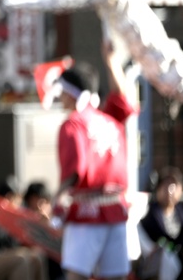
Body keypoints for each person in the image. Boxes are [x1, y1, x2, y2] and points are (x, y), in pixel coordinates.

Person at [53, 41, 138, 280]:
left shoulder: (73, 124)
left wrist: (57, 199)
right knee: (115, 277)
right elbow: (124, 100)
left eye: (62, 92)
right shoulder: (109, 119)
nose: (60, 98)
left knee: (77, 276)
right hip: (115, 209)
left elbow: (74, 169)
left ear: (71, 93)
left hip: (85, 213)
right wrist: (111, 61)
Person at [138, 166, 183, 280]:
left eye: (173, 186)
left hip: (179, 258)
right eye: (166, 185)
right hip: (157, 260)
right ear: (158, 188)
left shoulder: (180, 210)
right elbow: (160, 237)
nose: (169, 191)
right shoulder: (151, 210)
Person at [23, 181, 66, 280]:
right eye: (34, 201)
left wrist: (47, 225)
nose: (39, 206)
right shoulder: (23, 223)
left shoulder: (58, 223)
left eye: (43, 202)